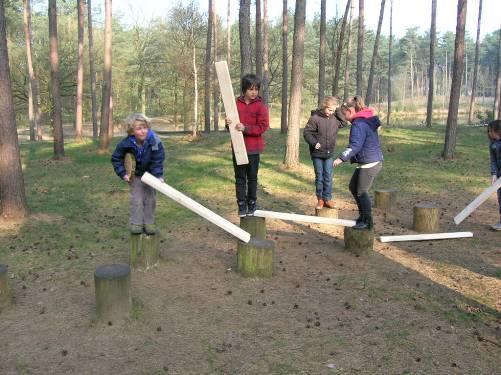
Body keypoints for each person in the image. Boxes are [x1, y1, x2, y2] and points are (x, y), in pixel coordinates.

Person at [333, 96, 383, 230]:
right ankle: (363, 217)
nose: (344, 118)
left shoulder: (358, 124)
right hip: (369, 160)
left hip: (370, 162)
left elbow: (355, 145)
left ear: (349, 111)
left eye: (344, 115)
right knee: (353, 187)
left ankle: (367, 222)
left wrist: (341, 158)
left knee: (361, 191)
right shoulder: (363, 120)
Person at [111, 113, 165, 234]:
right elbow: (116, 159)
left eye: (145, 127)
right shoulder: (125, 144)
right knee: (137, 200)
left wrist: (158, 176)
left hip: (151, 176)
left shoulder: (154, 141)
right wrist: (123, 173)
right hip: (135, 177)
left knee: (151, 199)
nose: (143, 131)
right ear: (131, 131)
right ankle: (136, 223)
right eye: (139, 128)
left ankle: (149, 222)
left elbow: (157, 160)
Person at [225, 73, 269, 217]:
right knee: (240, 178)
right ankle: (242, 205)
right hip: (238, 148)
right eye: (251, 89)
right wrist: (228, 124)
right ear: (244, 89)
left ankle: (252, 204)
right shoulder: (235, 104)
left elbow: (263, 127)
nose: (254, 92)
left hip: (253, 149)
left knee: (252, 178)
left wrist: (246, 128)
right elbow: (231, 126)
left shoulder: (261, 107)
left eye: (256, 89)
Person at [303, 96, 348, 209]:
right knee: (320, 177)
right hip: (317, 153)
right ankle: (320, 199)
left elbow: (344, 122)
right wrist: (314, 143)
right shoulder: (315, 118)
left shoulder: (335, 119)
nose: (331, 112)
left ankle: (327, 198)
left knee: (328, 176)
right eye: (329, 110)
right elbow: (307, 133)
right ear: (324, 107)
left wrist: (337, 109)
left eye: (333, 110)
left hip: (329, 154)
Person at [488, 119, 501, 231]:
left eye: (491, 130)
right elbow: (493, 161)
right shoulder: (492, 145)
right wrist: (494, 174)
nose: (489, 133)